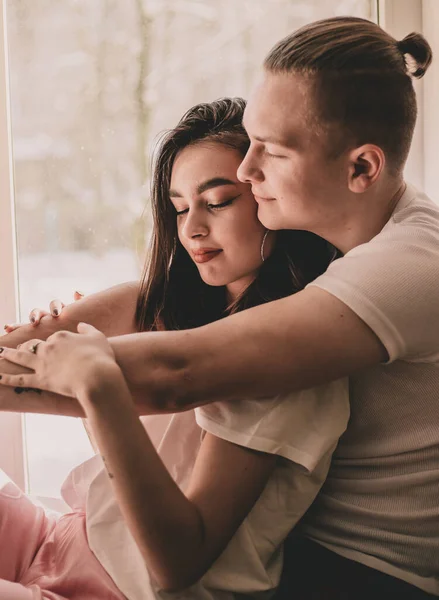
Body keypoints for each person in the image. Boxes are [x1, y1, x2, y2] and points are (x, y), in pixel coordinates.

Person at [1, 15, 438, 597]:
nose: (250, 171)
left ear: (362, 167)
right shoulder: (274, 274)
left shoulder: (410, 264)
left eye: (270, 152)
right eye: (249, 142)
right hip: (280, 548)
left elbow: (178, 376)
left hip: (359, 571)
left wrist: (88, 367)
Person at [0, 98, 348, 600]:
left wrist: (96, 386)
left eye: (219, 201)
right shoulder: (159, 304)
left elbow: (178, 564)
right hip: (59, 539)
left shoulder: (289, 363)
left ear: (271, 197)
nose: (191, 229)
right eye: (180, 208)